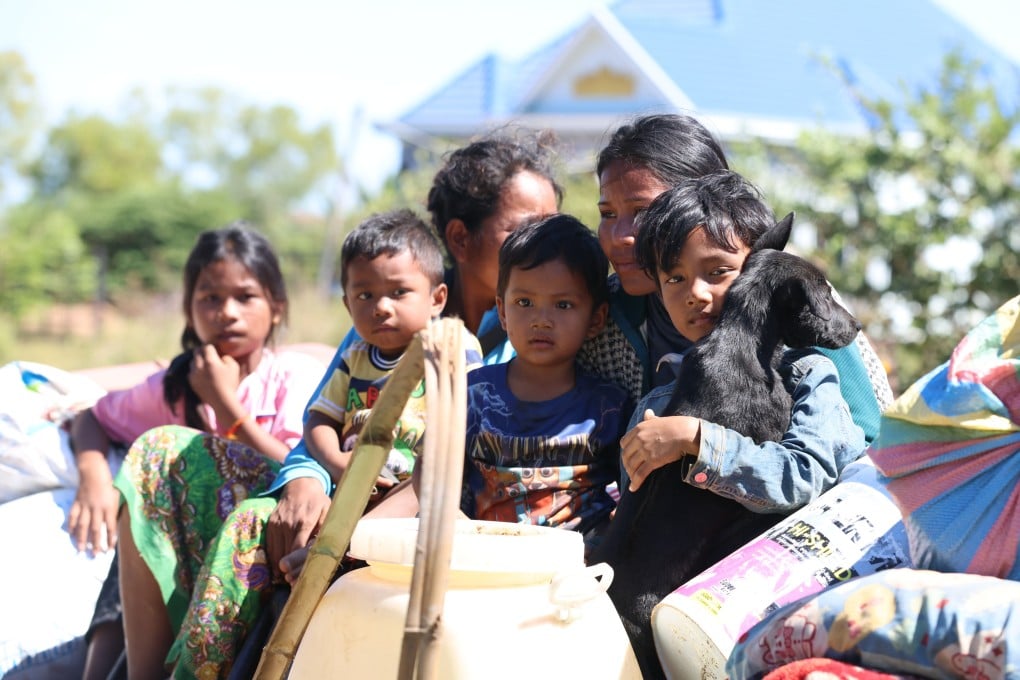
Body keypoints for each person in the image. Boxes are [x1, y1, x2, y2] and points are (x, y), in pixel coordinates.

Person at [113, 129, 562, 679]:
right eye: (525, 229)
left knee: (254, 525)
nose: (544, 245)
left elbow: (447, 471)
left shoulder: (534, 336)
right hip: (335, 486)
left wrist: (347, 530)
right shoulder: (381, 326)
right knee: (160, 452)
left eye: (553, 227)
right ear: (460, 240)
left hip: (413, 512)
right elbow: (324, 421)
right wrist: (304, 482)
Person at [0, 222, 324, 680]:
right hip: (183, 560)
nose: (227, 312)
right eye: (209, 298)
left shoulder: (293, 377)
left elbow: (295, 473)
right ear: (189, 312)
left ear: (276, 308)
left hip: (259, 546)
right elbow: (94, 417)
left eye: (245, 297)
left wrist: (226, 406)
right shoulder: (177, 386)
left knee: (157, 455)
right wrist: (96, 481)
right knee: (136, 506)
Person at [596, 170, 867, 677]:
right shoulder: (662, 395)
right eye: (674, 278)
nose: (694, 293)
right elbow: (635, 503)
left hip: (768, 610)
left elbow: (804, 477)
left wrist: (698, 440)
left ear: (761, 270)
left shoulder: (809, 376)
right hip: (671, 624)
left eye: (718, 272)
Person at [581, 113, 893, 441]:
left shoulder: (792, 293)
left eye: (644, 212)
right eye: (607, 214)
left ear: (706, 203)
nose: (619, 236)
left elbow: (870, 436)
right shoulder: (601, 317)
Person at [459, 214, 633, 554]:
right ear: (503, 312)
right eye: (524, 303)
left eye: (563, 305)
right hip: (481, 558)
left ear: (596, 319)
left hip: (572, 570)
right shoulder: (473, 394)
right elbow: (431, 468)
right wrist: (451, 522)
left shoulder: (608, 407)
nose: (541, 320)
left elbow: (631, 496)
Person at [305, 209, 481, 494]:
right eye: (365, 296)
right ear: (348, 305)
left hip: (423, 496)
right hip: (352, 492)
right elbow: (320, 420)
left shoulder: (451, 345)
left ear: (437, 300)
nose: (381, 308)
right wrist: (337, 462)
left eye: (399, 292)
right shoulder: (354, 358)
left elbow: (475, 414)